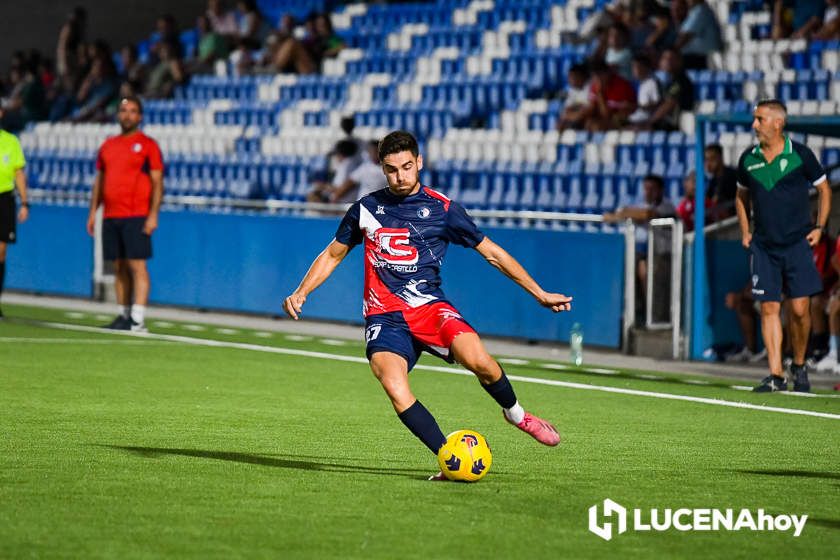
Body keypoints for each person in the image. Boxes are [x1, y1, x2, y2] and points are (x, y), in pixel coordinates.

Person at [283, 130, 568, 479]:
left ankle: (517, 415)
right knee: (393, 385)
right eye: (391, 169)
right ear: (381, 168)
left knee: (482, 363)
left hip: (431, 308)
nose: (400, 176)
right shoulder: (366, 209)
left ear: (419, 162)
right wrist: (302, 291)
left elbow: (492, 253)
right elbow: (333, 254)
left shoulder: (443, 209)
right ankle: (450, 458)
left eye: (406, 167)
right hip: (385, 316)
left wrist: (539, 292)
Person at [735, 99, 832, 393]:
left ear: (778, 123)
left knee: (801, 310)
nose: (754, 125)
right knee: (768, 307)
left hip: (797, 244)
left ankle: (799, 364)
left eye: (760, 119)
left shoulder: (801, 155)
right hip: (764, 246)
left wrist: (820, 227)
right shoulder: (748, 159)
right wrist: (745, 230)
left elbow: (825, 190)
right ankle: (776, 374)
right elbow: (741, 196)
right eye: (754, 119)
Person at [86, 96, 164, 332]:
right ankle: (123, 314)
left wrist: (153, 215)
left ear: (139, 117)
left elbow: (157, 182)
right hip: (111, 214)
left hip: (136, 214)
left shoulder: (148, 145)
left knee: (137, 265)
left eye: (132, 111)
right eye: (123, 110)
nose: (127, 115)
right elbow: (100, 181)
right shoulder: (108, 146)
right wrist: (93, 211)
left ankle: (138, 318)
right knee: (118, 265)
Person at [0, 106, 30, 318]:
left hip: (4, 198)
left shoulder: (11, 141)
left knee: (1, 251)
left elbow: (18, 172)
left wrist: (25, 202)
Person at [704, 143, 738, 220]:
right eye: (706, 160)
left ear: (720, 158)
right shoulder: (713, 181)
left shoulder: (733, 176)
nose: (708, 164)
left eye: (712, 159)